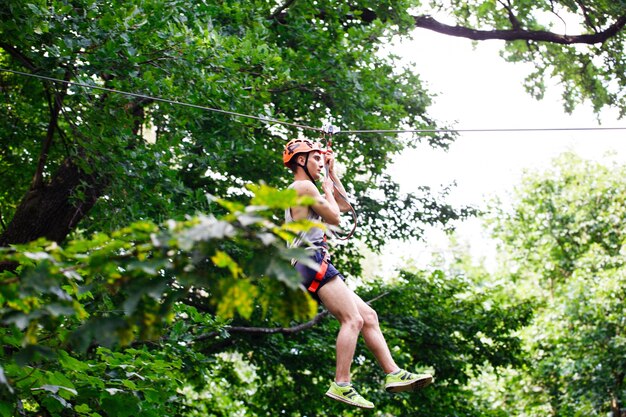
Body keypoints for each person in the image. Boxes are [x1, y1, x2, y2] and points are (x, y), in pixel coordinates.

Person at [282, 138, 433, 409]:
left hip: (311, 262)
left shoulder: (308, 188)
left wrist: (333, 175)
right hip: (310, 260)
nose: (320, 164)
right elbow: (335, 218)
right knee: (352, 319)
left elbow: (341, 206)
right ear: (301, 160)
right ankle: (342, 384)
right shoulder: (302, 186)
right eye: (316, 159)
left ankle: (393, 372)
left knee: (367, 316)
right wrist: (327, 188)